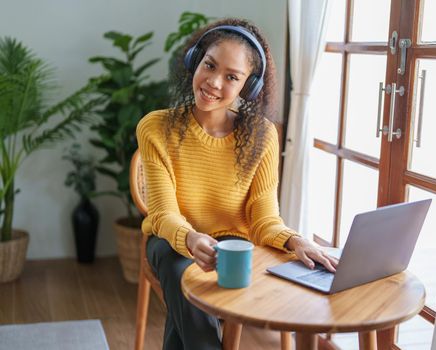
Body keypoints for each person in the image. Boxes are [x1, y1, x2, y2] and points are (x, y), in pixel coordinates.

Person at [136, 17, 339, 349]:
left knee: (182, 312)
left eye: (231, 77)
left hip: (233, 245)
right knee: (179, 267)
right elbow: (162, 215)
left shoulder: (262, 135)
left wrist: (295, 241)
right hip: (171, 241)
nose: (214, 82)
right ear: (194, 62)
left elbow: (264, 222)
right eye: (209, 66)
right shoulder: (156, 128)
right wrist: (189, 237)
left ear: (249, 86)